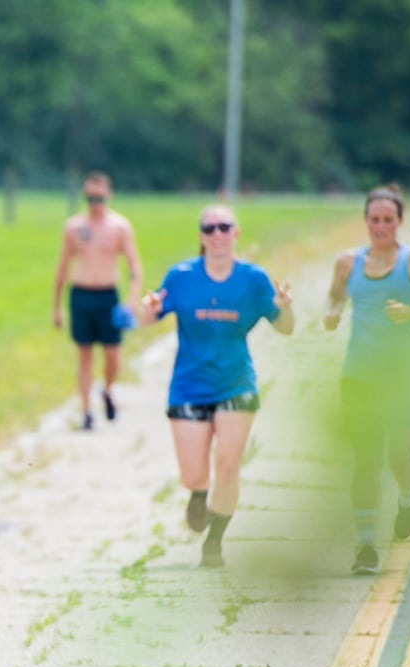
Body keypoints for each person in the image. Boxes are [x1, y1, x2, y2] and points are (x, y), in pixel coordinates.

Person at [141, 203, 295, 567]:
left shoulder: (254, 279)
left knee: (228, 464)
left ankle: (215, 542)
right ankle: (198, 493)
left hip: (236, 384)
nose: (217, 235)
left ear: (236, 233)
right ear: (201, 237)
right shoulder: (181, 277)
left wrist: (285, 307)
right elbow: (148, 317)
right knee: (195, 473)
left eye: (224, 227)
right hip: (189, 386)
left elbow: (286, 327)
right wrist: (146, 309)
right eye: (209, 229)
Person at [323, 186, 410, 574]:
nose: (380, 227)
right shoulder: (347, 263)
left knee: (398, 459)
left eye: (388, 220)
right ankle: (366, 546)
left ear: (400, 221)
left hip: (406, 377)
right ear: (365, 221)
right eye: (374, 219)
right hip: (359, 375)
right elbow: (334, 299)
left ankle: (408, 493)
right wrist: (332, 315)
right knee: (365, 460)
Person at [52, 171, 143, 429]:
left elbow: (134, 266)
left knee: (113, 355)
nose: (95, 204)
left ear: (108, 195)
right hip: (80, 294)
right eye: (90, 198)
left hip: (108, 296)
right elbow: (62, 267)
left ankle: (108, 389)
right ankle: (86, 410)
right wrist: (56, 307)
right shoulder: (73, 227)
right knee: (84, 355)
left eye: (99, 198)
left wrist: (132, 298)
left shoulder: (120, 227)